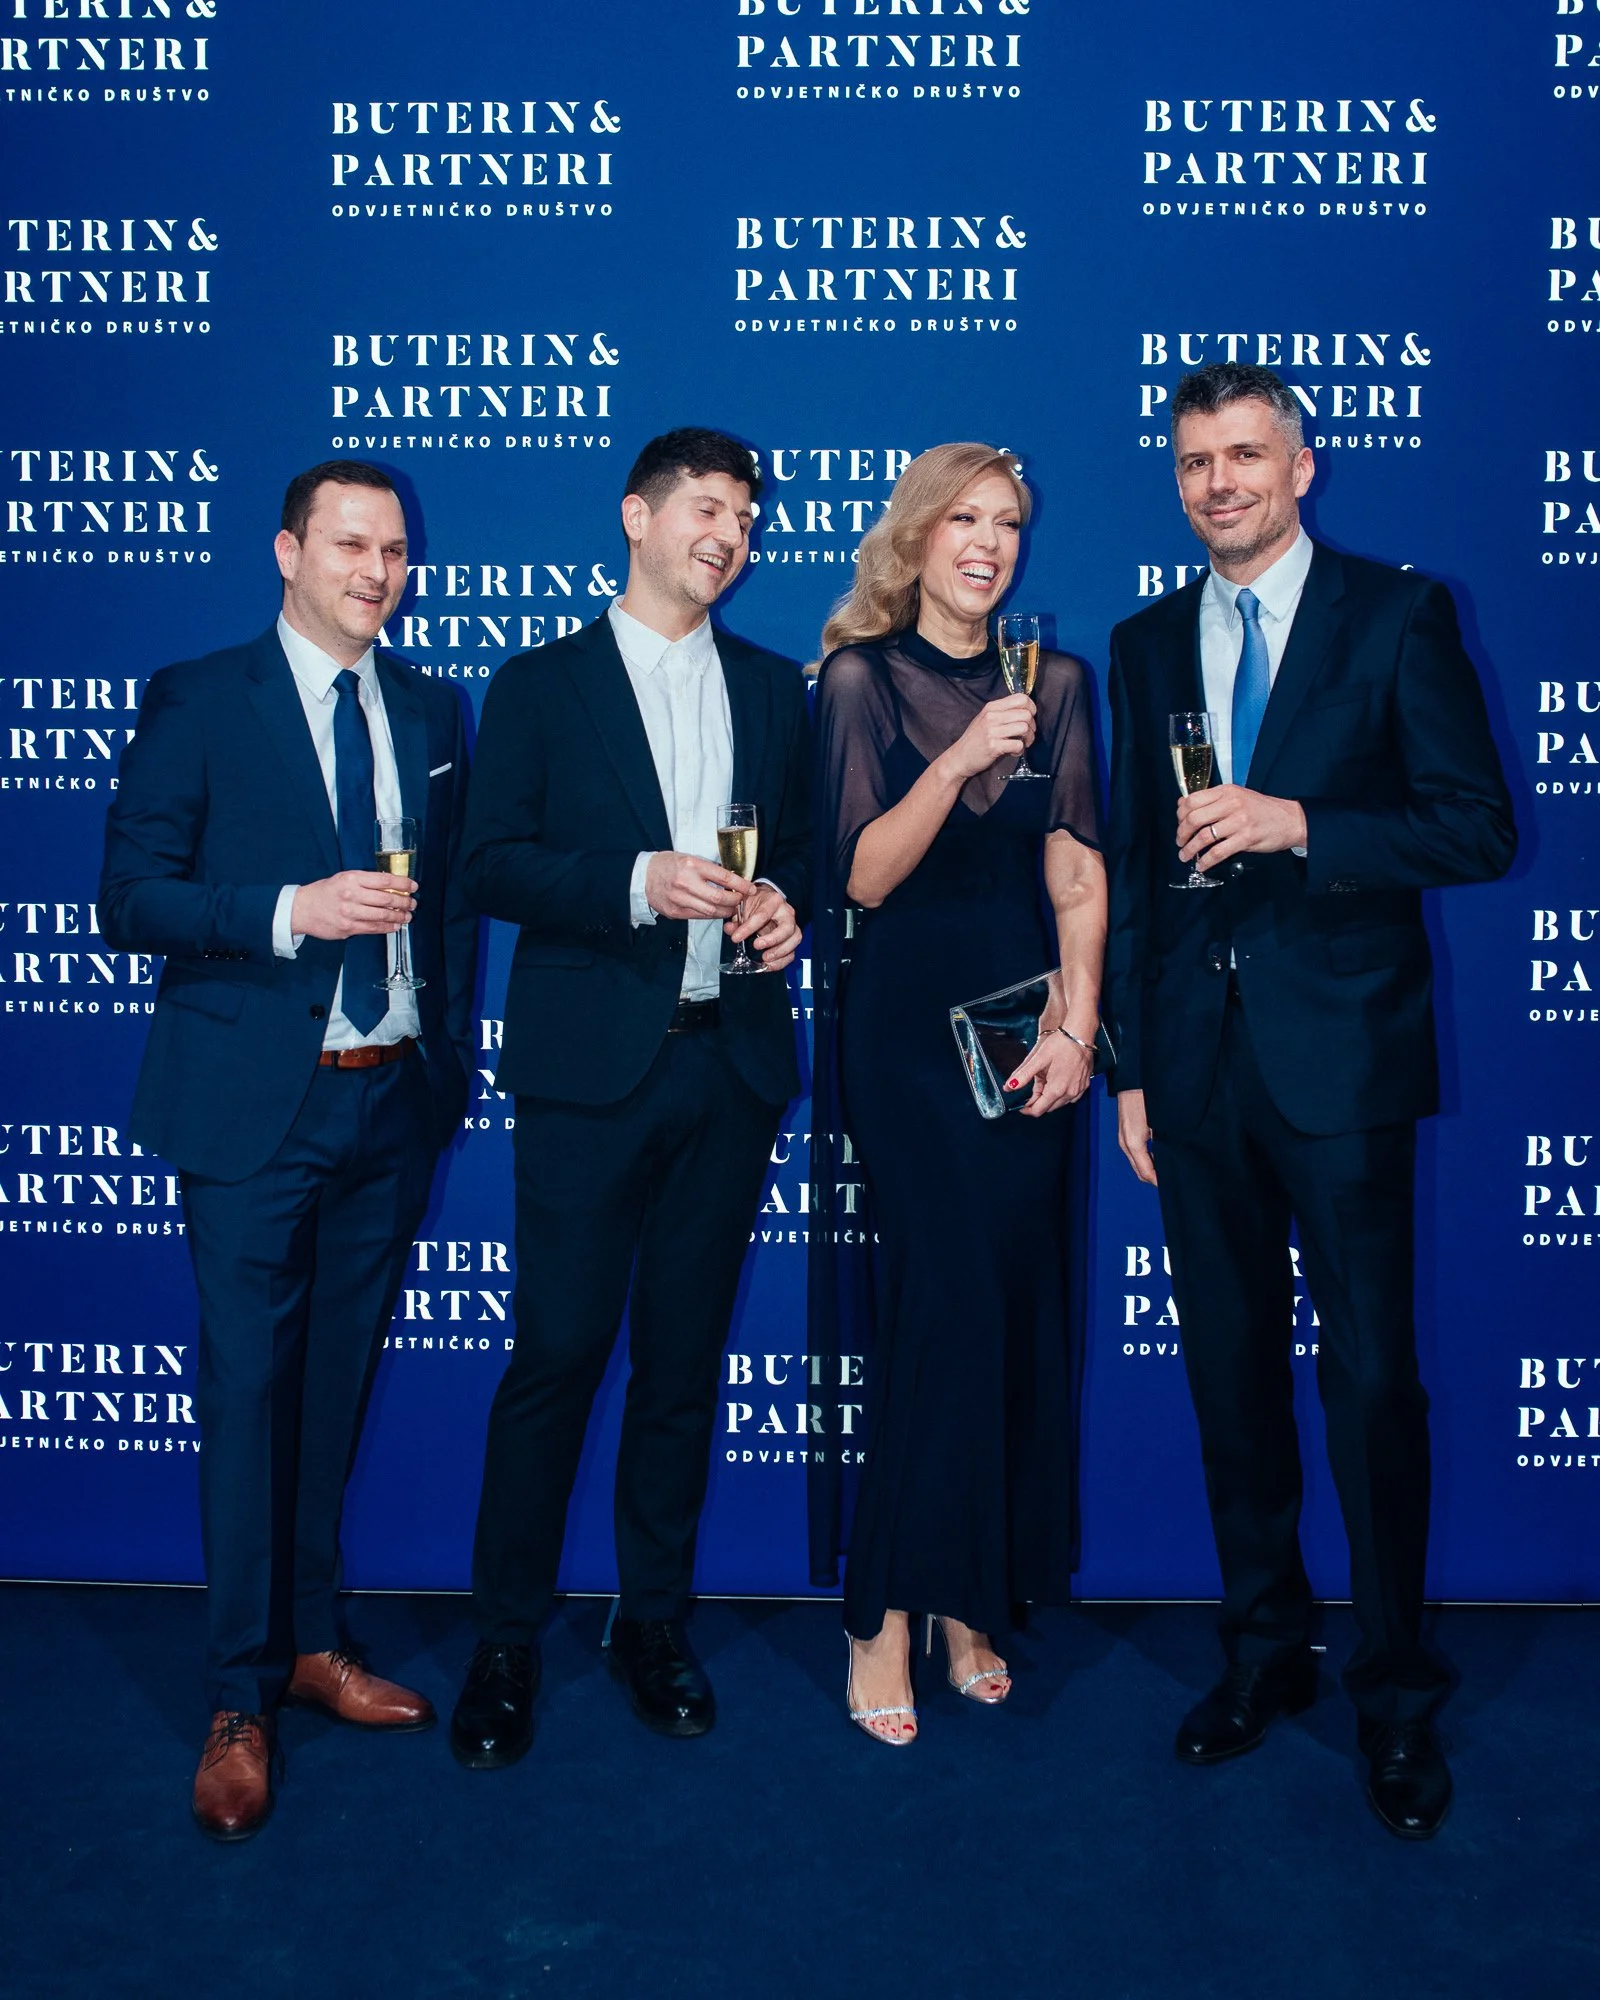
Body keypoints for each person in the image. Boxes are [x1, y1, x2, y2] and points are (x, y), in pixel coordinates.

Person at [1104, 363, 1516, 1838]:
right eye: (1195, 462)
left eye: (1245, 456)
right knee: (1230, 1381)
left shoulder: (1397, 615)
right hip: (1199, 1074)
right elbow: (1148, 880)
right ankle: (1265, 1651)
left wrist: (1302, 824)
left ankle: (1395, 1691)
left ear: (1303, 464)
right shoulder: (1145, 643)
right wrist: (1136, 1069)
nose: (1220, 482)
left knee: (1369, 1387)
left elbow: (1475, 826)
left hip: (1341, 1070)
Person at [98, 460, 478, 1841]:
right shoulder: (203, 698)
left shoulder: (432, 708)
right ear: (287, 553)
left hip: (390, 1101)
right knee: (250, 1402)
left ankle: (316, 1647)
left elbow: (444, 911)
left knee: (332, 1392)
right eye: (349, 547)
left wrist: (439, 1062)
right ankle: (237, 1698)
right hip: (255, 1113)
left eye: (392, 552)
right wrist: (288, 909)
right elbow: (127, 896)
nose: (376, 572)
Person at [449, 428, 812, 1770]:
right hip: (589, 1079)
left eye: (746, 519)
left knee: (681, 1367)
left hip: (729, 1070)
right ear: (637, 518)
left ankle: (652, 1621)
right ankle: (504, 1639)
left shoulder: (780, 692)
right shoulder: (539, 684)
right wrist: (632, 882)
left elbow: (809, 865)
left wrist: (783, 914)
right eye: (707, 509)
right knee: (553, 1360)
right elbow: (490, 866)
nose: (729, 535)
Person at [811, 443, 1106, 1746]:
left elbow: (1080, 871)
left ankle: (970, 1603)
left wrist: (1082, 1026)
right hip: (909, 1046)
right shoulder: (861, 679)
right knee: (939, 1311)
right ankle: (883, 1616)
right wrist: (956, 760)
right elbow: (863, 879)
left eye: (1008, 523)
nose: (988, 543)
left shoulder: (1063, 681)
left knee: (1008, 1311)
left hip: (1024, 1039)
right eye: (964, 520)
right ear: (917, 538)